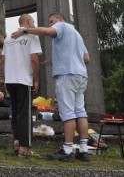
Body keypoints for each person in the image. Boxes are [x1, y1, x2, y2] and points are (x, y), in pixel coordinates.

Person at [11, 12, 91, 162]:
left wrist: (25, 30)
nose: (50, 24)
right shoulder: (77, 35)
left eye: (51, 21)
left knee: (67, 112)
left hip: (67, 75)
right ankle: (84, 150)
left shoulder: (61, 26)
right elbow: (86, 58)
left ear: (60, 19)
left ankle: (67, 150)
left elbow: (48, 32)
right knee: (80, 111)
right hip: (81, 75)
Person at [2, 14, 42, 158]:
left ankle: (17, 142)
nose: (34, 24)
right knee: (25, 113)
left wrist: (5, 80)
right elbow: (34, 59)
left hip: (11, 80)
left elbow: (3, 60)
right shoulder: (32, 36)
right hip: (24, 79)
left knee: (15, 111)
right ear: (28, 22)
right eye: (33, 21)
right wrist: (37, 79)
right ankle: (25, 148)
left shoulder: (8, 38)